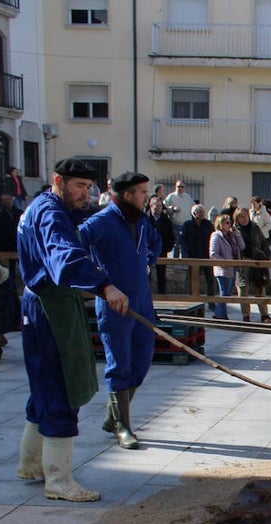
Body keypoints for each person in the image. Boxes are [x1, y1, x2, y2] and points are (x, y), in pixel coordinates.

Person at [15, 157, 128, 502]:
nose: (85, 194)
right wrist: (104, 285)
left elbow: (78, 220)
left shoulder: (45, 207)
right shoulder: (49, 214)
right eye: (79, 186)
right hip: (50, 307)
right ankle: (59, 480)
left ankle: (31, 464)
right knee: (61, 386)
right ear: (58, 180)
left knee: (42, 388)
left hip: (42, 303)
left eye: (89, 187)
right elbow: (64, 254)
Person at [81, 171, 162, 450]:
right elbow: (75, 248)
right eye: (141, 192)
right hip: (115, 302)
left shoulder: (141, 221)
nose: (146, 196)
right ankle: (123, 426)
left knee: (142, 361)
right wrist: (99, 281)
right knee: (120, 363)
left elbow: (156, 241)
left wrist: (149, 260)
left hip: (142, 298)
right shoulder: (101, 222)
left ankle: (113, 416)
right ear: (127, 194)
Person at [234, 206, 271, 322]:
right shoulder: (235, 230)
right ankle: (246, 315)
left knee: (259, 287)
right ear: (237, 218)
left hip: (256, 260)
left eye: (245, 216)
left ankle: (264, 315)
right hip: (243, 261)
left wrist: (268, 257)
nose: (244, 219)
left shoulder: (254, 227)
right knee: (243, 289)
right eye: (241, 217)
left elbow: (263, 243)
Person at [209, 211, 244, 320]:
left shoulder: (231, 236)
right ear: (221, 224)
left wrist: (237, 234)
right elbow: (213, 253)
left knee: (227, 293)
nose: (230, 225)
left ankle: (218, 313)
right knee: (224, 292)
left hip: (232, 268)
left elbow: (242, 246)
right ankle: (222, 316)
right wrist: (224, 262)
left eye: (230, 222)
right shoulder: (216, 236)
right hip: (222, 268)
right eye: (227, 223)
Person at [182, 204, 215, 303]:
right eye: (199, 212)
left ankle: (211, 301)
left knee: (210, 280)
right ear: (194, 213)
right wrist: (187, 252)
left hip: (206, 256)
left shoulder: (208, 224)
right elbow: (183, 240)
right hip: (193, 256)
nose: (201, 214)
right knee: (193, 280)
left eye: (202, 212)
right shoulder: (187, 225)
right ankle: (193, 300)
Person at [145, 195, 175, 294]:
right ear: (151, 206)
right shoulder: (144, 219)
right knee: (146, 275)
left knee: (161, 275)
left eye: (160, 206)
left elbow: (171, 237)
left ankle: (162, 296)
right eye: (156, 206)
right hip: (146, 252)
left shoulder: (166, 220)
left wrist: (167, 248)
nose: (158, 208)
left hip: (162, 252)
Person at [163, 180, 194, 255]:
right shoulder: (171, 196)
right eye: (178, 186)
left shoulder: (188, 197)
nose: (180, 188)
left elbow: (193, 208)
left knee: (185, 244)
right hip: (175, 224)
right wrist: (172, 208)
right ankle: (174, 263)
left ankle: (185, 264)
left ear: (184, 188)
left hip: (186, 225)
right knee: (176, 244)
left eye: (182, 186)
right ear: (175, 187)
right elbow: (164, 208)